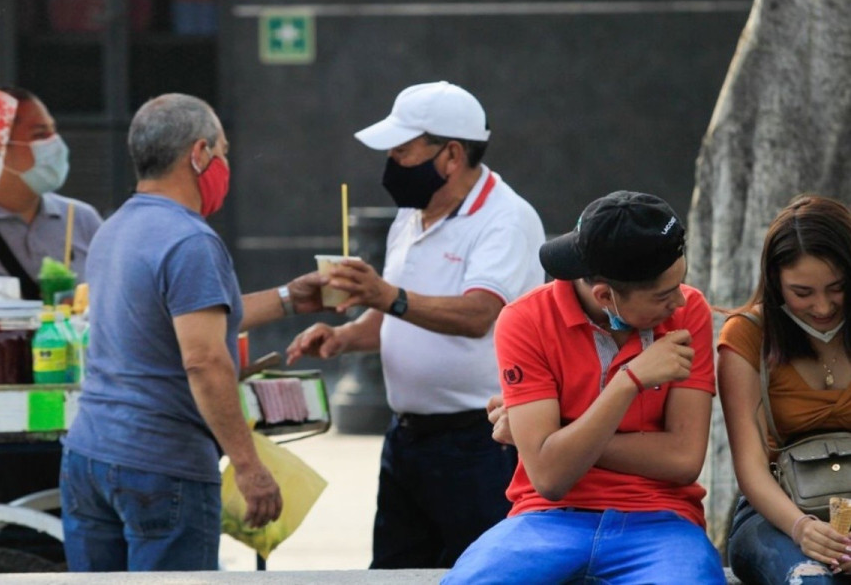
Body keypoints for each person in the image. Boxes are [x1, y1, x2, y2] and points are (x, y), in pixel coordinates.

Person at [286, 80, 546, 568]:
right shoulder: (409, 216)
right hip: (407, 437)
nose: (391, 164)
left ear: (451, 155)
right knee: (394, 570)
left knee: (480, 571)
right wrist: (344, 337)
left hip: (480, 441)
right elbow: (399, 312)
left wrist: (383, 294)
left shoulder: (505, 218)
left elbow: (478, 313)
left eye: (402, 151)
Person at [60, 93, 323, 572]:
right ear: (199, 154)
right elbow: (203, 358)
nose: (226, 164)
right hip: (162, 468)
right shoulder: (190, 240)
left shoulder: (115, 229)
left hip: (89, 457)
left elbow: (182, 319)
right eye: (223, 151)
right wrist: (248, 466)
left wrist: (289, 299)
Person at [444, 190, 725, 584]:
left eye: (680, 282)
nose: (679, 301)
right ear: (605, 295)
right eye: (663, 295)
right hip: (545, 518)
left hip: (662, 521)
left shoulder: (689, 310)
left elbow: (683, 460)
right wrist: (629, 382)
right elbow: (550, 480)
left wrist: (556, 439)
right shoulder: (524, 320)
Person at [0, 86, 102, 510]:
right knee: (9, 538)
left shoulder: (80, 220)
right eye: (39, 134)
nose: (54, 144)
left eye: (53, 131)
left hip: (80, 423)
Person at [718, 195, 851, 583]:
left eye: (837, 288)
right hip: (777, 513)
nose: (823, 307)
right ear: (775, 283)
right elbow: (750, 465)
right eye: (802, 293)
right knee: (808, 578)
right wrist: (802, 528)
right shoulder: (747, 336)